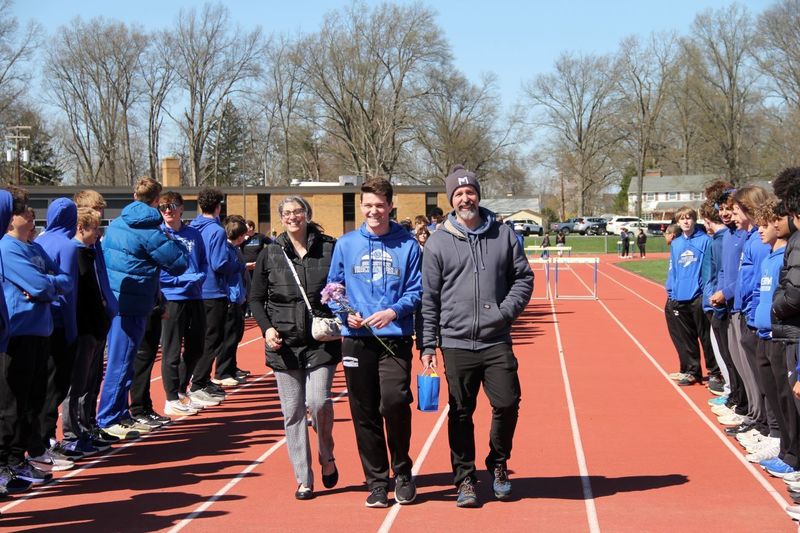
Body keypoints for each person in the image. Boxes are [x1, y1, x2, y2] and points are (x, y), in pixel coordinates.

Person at [421, 165, 534, 508]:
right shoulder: (438, 241)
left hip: (496, 339)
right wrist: (427, 343)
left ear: (478, 195)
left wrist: (503, 312)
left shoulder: (503, 235)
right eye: (458, 194)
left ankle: (498, 463)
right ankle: (465, 478)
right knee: (460, 412)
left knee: (507, 403)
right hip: (455, 341)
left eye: (470, 192)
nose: (465, 197)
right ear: (451, 200)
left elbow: (523, 279)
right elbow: (429, 298)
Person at [327, 178, 422, 508]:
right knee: (364, 411)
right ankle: (377, 480)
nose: (373, 211)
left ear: (390, 206)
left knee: (394, 402)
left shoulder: (408, 245)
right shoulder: (346, 243)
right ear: (361, 206)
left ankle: (403, 471)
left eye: (380, 205)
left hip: (393, 339)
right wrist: (344, 314)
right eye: (368, 205)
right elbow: (333, 288)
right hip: (356, 340)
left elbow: (417, 291)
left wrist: (393, 312)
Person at [250, 196, 341, 500]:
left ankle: (326, 453)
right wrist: (267, 329)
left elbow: (342, 287)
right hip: (284, 345)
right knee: (292, 412)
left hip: (320, 341)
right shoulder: (270, 253)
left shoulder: (329, 247)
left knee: (318, 402)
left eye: (297, 211)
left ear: (307, 214)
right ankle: (304, 477)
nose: (292, 217)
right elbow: (256, 298)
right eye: (287, 213)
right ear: (281, 218)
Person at [97, 177, 189, 439]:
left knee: (123, 361)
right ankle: (109, 417)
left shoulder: (118, 223)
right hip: (134, 301)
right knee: (122, 361)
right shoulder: (150, 228)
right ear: (157, 200)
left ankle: (120, 413)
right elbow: (179, 263)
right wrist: (175, 240)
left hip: (117, 297)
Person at [0, 185, 71, 488]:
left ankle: (19, 459)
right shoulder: (7, 248)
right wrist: (44, 288)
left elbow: (62, 281)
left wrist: (45, 287)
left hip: (41, 330)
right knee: (11, 405)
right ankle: (8, 463)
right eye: (24, 210)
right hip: (18, 332)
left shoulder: (35, 247)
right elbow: (41, 287)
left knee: (34, 401)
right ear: (11, 218)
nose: (31, 214)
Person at [749, 198, 799, 476]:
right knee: (776, 396)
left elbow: (787, 295)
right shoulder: (769, 258)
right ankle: (784, 449)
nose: (761, 229)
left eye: (766, 224)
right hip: (765, 332)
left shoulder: (786, 256)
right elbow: (760, 292)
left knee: (786, 398)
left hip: (782, 335)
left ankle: (792, 454)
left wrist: (774, 312)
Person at [59, 208, 113, 461]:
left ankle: (82, 429)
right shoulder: (76, 254)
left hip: (93, 328)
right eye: (95, 229)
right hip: (83, 329)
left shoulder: (89, 253)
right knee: (76, 386)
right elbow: (81, 298)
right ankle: (71, 436)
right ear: (81, 228)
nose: (98, 234)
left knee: (88, 384)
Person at [188, 188, 242, 406]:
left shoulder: (192, 227)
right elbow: (219, 263)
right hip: (213, 289)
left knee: (203, 338)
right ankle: (198, 382)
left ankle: (201, 380)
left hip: (197, 287)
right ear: (219, 207)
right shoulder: (217, 231)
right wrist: (238, 265)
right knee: (213, 339)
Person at [157, 192, 208, 415]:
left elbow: (205, 263)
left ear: (181, 209)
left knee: (196, 346)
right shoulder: (158, 234)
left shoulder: (194, 234)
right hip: (172, 298)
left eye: (172, 206)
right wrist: (180, 280)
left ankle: (181, 391)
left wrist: (199, 277)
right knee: (172, 349)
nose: (167, 210)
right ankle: (170, 397)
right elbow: (157, 271)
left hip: (195, 296)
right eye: (163, 207)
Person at [664, 206, 717, 387]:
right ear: (678, 222)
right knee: (686, 337)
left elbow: (709, 270)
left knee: (706, 337)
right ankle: (692, 371)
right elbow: (673, 270)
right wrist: (671, 291)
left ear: (695, 220)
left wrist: (705, 293)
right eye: (682, 219)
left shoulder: (705, 241)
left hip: (698, 297)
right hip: (680, 296)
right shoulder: (676, 243)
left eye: (689, 218)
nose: (686, 221)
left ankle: (715, 372)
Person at [214, 216, 248, 386]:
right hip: (230, 296)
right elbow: (223, 268)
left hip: (237, 296)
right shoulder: (226, 249)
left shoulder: (234, 249)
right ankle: (222, 372)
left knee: (235, 336)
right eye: (243, 235)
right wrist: (241, 267)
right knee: (229, 337)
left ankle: (231, 368)